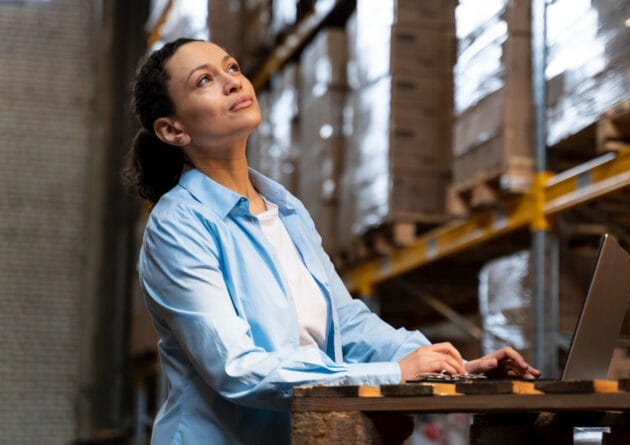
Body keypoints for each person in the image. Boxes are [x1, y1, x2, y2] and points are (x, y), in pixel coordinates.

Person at [124, 38, 540, 445]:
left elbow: (348, 324)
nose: (233, 82)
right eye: (204, 81)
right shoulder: (178, 224)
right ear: (173, 130)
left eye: (232, 68)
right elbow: (236, 368)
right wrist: (393, 375)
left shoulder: (286, 211)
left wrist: (451, 366)